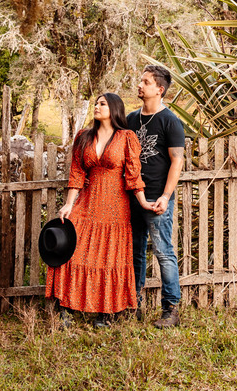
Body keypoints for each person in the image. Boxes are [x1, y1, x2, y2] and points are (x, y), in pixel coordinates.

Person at [46, 93, 151, 328]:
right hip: (87, 200)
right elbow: (76, 173)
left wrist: (143, 203)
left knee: (109, 258)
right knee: (72, 250)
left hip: (115, 205)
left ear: (114, 109)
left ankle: (106, 312)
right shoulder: (83, 136)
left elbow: (134, 177)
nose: (97, 106)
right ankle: (66, 306)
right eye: (96, 103)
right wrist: (68, 204)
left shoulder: (127, 137)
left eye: (102, 104)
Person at [127, 64, 185, 328]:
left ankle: (170, 310)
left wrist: (165, 196)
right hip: (131, 196)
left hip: (157, 198)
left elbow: (177, 162)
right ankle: (133, 305)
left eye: (146, 82)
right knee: (135, 252)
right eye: (140, 80)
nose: (140, 85)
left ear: (159, 89)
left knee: (164, 252)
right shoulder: (130, 119)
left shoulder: (170, 121)